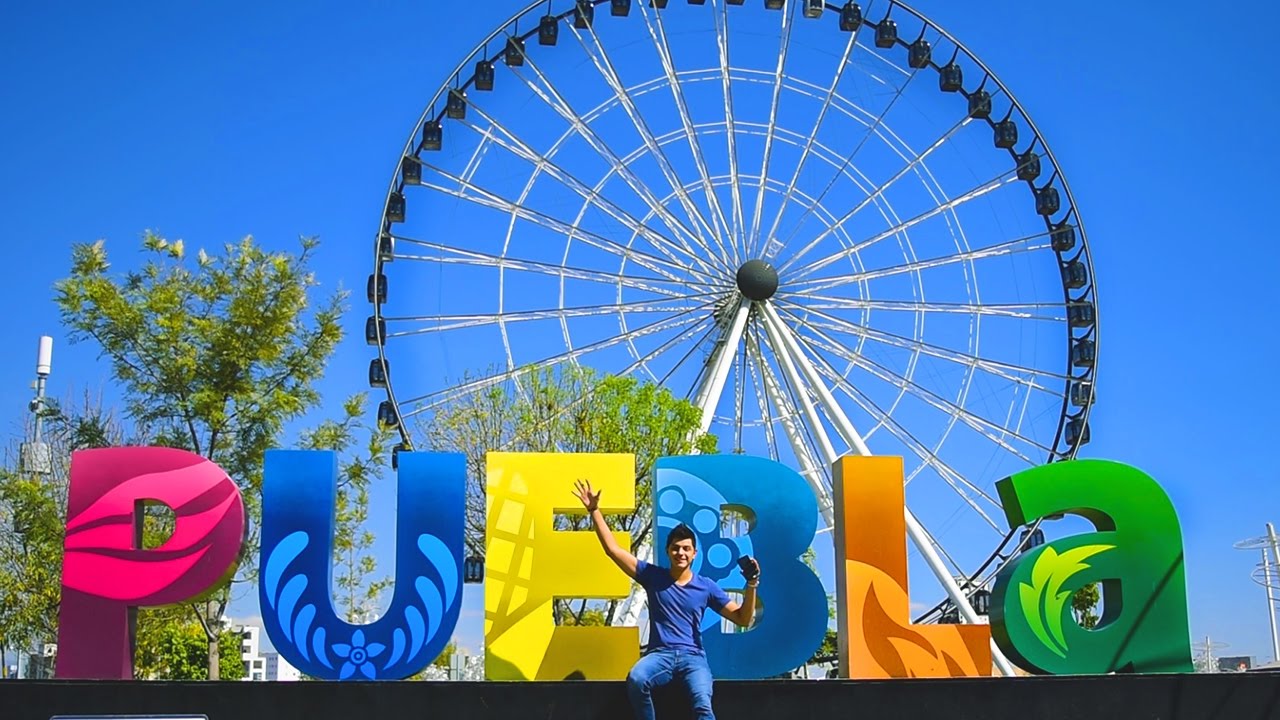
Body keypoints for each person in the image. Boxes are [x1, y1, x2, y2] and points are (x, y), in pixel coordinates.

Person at [573, 478, 759, 720]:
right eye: (675, 548)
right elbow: (613, 550)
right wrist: (594, 510)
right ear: (668, 551)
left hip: (693, 658)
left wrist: (752, 584)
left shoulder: (707, 587)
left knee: (703, 702)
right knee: (637, 680)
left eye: (685, 548)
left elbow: (743, 619)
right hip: (659, 655)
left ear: (694, 553)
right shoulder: (652, 576)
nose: (680, 552)